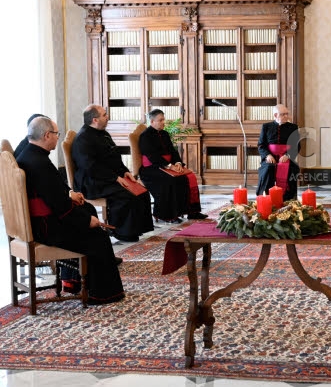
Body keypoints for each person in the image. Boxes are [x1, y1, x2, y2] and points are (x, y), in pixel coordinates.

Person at [16, 116, 124, 305]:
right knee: (98, 237)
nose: (57, 138)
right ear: (47, 135)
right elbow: (59, 206)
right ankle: (102, 294)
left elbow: (51, 193)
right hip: (46, 228)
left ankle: (73, 282)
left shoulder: (27, 153)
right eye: (56, 134)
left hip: (38, 222)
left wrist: (69, 195)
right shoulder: (39, 163)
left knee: (87, 211)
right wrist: (87, 221)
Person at [72, 104, 153, 242]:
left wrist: (125, 172)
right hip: (92, 181)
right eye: (104, 115)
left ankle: (137, 228)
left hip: (108, 177)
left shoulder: (103, 133)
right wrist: (115, 178)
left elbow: (114, 157)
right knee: (126, 196)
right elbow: (90, 167)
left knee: (142, 191)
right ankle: (120, 231)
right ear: (95, 120)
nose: (107, 117)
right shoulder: (83, 138)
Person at [138, 109, 207, 223]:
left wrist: (178, 163)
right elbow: (152, 156)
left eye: (163, 119)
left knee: (190, 177)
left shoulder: (164, 134)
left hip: (167, 166)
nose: (163, 122)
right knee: (171, 180)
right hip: (151, 169)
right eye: (160, 120)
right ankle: (169, 215)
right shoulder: (145, 136)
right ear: (152, 121)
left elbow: (173, 151)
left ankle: (192, 212)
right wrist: (170, 166)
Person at [256, 104, 300, 201]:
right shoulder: (266, 127)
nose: (286, 116)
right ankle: (265, 197)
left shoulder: (293, 127)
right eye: (283, 114)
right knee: (268, 168)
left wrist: (288, 155)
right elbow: (261, 145)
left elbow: (297, 146)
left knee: (291, 169)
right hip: (270, 157)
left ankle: (288, 199)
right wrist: (267, 155)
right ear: (275, 115)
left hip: (286, 157)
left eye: (287, 114)